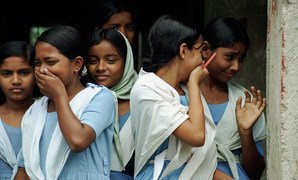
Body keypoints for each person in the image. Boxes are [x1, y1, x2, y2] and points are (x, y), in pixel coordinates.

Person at [15, 25, 115, 179]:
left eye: (50, 62)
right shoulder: (36, 109)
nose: (42, 70)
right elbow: (25, 168)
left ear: (76, 64)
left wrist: (59, 94)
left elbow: (78, 141)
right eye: (37, 63)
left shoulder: (100, 97)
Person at [130, 14, 219, 180]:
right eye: (201, 51)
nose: (203, 59)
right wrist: (194, 83)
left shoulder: (185, 89)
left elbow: (200, 154)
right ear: (183, 50)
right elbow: (197, 136)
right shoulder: (146, 89)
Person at [199, 16, 267, 180]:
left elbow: (255, 173)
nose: (236, 66)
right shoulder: (181, 94)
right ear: (206, 49)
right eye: (230, 57)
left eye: (241, 59)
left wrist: (245, 132)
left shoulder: (245, 101)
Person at [86, 28, 137, 179]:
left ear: (126, 61)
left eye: (111, 60)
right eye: (93, 61)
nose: (101, 67)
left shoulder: (144, 98)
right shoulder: (82, 99)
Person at [0, 41, 37, 179]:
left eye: (24, 72)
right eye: (7, 73)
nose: (16, 80)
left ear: (36, 73)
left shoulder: (49, 115)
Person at [90, 0, 140, 71]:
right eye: (114, 28)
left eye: (129, 28)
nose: (123, 35)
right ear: (97, 31)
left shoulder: (142, 81)